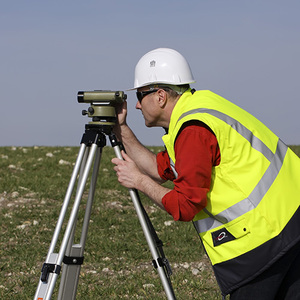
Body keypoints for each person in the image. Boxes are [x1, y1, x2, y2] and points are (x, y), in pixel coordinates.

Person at [111, 48, 300, 299]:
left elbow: (186, 206)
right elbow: (159, 168)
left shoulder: (192, 130)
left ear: (159, 96)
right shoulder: (201, 108)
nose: (136, 104)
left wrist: (139, 182)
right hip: (290, 223)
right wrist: (121, 127)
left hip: (264, 240)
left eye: (140, 95)